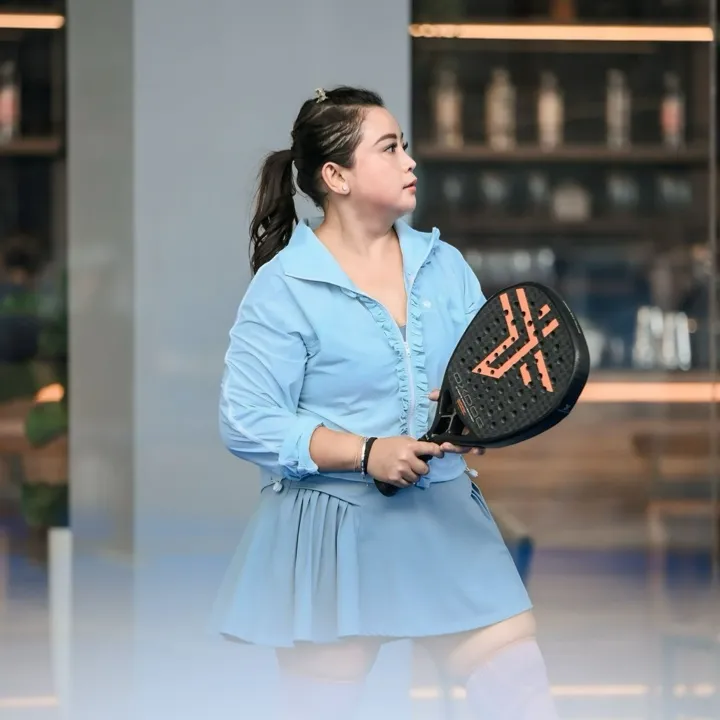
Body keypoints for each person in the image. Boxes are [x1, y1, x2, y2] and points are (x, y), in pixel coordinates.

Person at [212, 86, 559, 720]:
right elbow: (246, 420)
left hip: (445, 512)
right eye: (390, 148)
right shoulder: (283, 286)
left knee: (522, 693)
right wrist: (365, 452)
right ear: (336, 176)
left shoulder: (444, 265)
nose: (410, 161)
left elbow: (481, 377)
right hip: (333, 527)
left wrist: (476, 420)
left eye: (406, 146)